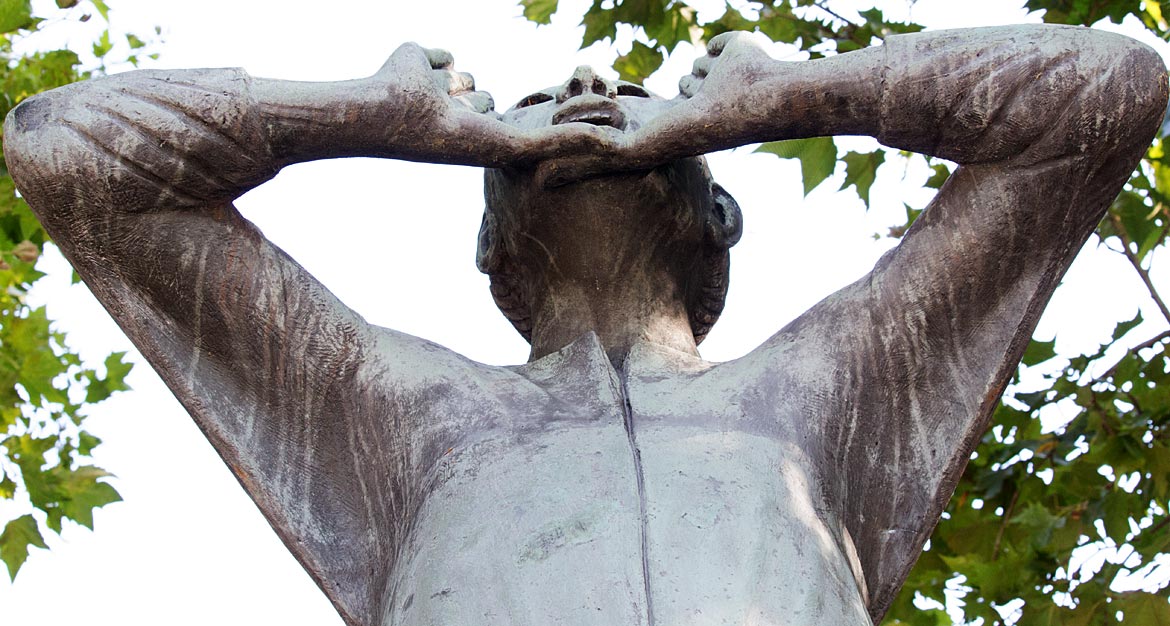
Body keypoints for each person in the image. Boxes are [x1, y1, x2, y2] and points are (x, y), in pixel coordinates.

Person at [4, 25, 1165, 626]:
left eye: (655, 105)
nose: (587, 84)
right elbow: (64, 146)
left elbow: (1107, 87)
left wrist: (799, 91)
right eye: (529, 109)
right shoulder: (402, 412)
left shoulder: (823, 387)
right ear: (489, 244)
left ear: (721, 209)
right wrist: (369, 114)